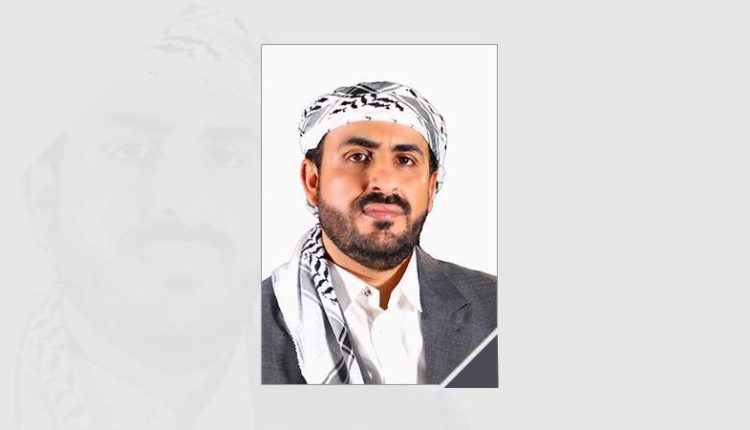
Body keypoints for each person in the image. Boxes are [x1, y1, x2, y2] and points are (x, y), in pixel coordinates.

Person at [262, 81, 497, 384]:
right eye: (358, 156)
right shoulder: (239, 323)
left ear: (431, 187)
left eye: (405, 160)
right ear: (313, 180)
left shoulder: (497, 309)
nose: (384, 182)